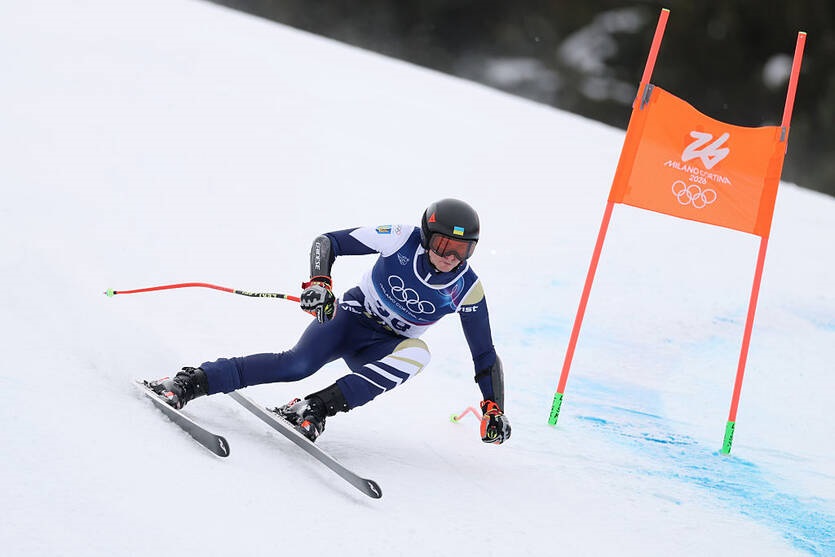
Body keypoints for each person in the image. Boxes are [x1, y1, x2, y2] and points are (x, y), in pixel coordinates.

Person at [148, 198, 510, 445]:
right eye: (444, 245)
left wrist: (493, 407)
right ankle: (190, 382)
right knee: (296, 365)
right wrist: (320, 282)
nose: (450, 257)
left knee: (419, 354)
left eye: (462, 250)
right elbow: (328, 242)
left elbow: (484, 353)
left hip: (384, 346)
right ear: (427, 237)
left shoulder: (467, 288)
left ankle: (314, 408)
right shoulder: (401, 238)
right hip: (350, 317)